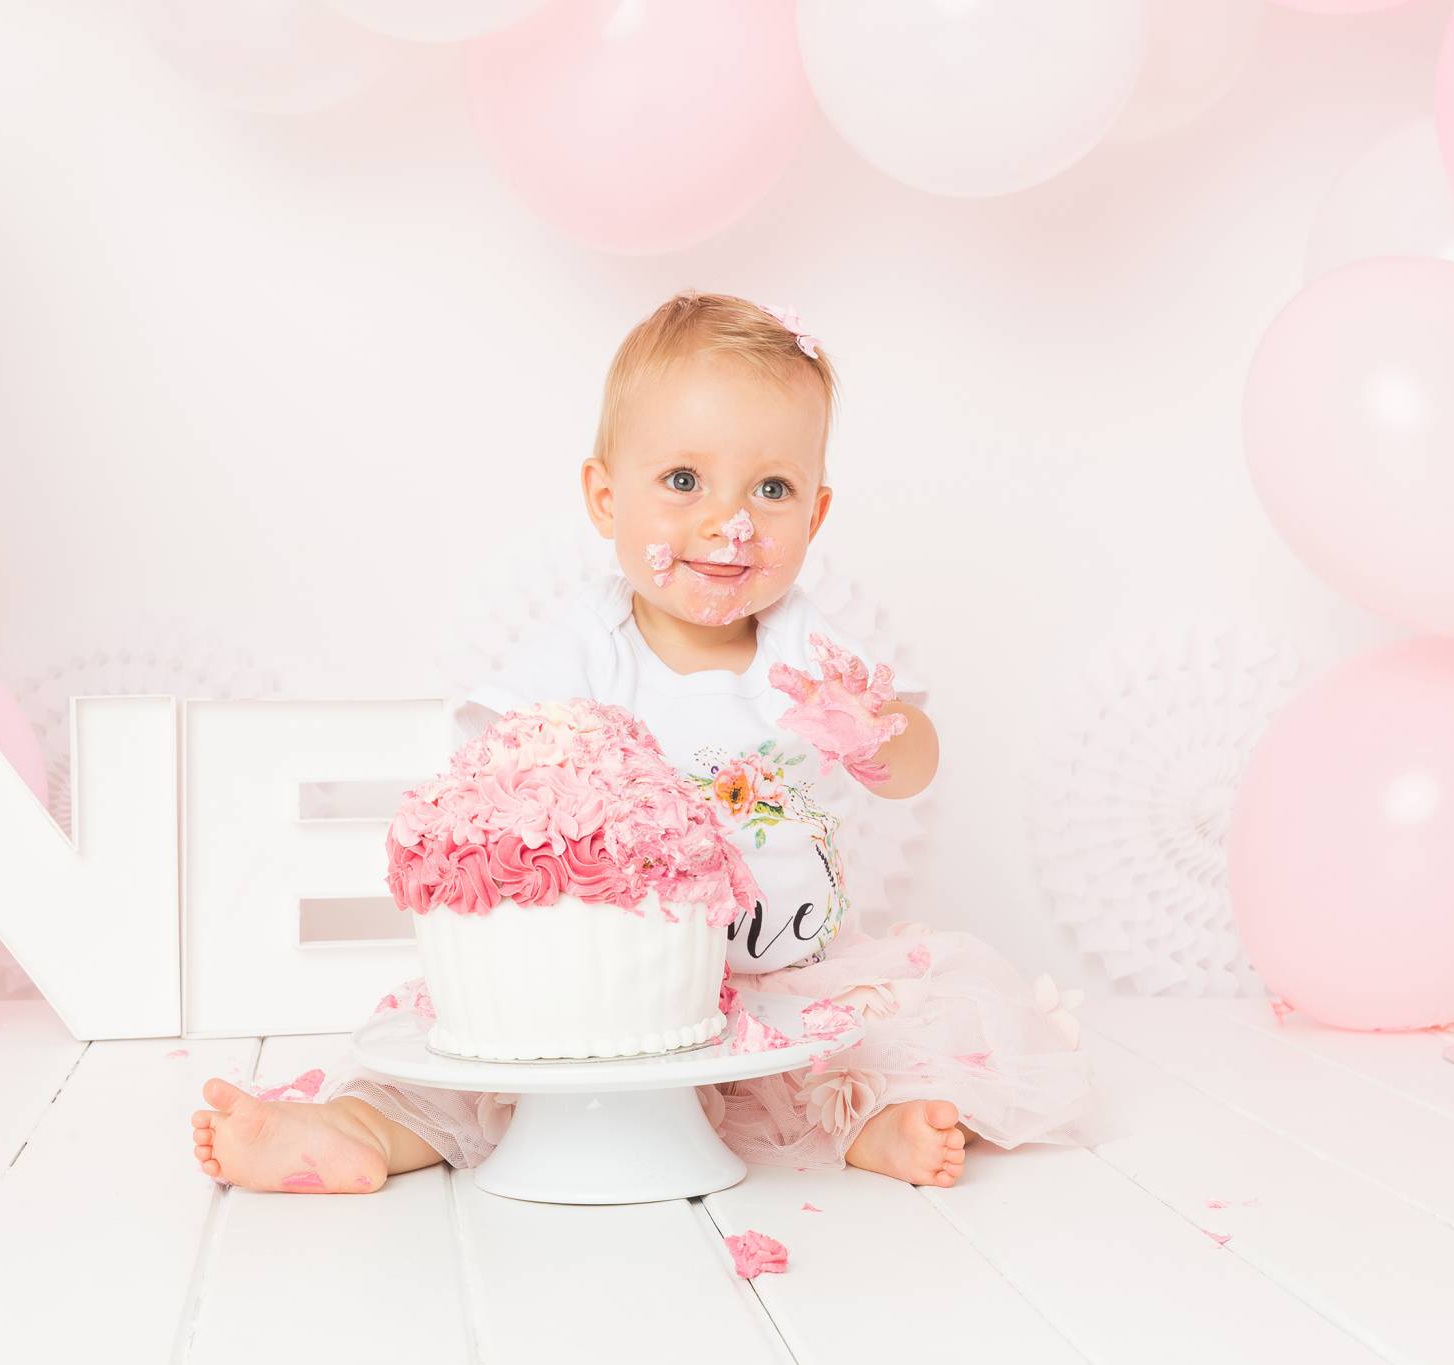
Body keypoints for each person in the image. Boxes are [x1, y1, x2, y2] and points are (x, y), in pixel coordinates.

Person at [192, 291, 1100, 1195]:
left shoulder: (803, 649)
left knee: (872, 1034)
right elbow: (499, 764)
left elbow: (914, 767)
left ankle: (877, 1122)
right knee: (476, 1069)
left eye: (771, 489)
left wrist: (876, 729)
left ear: (815, 516)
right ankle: (353, 1129)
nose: (730, 521)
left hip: (780, 980)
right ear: (603, 496)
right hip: (607, 991)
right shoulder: (590, 645)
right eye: (682, 482)